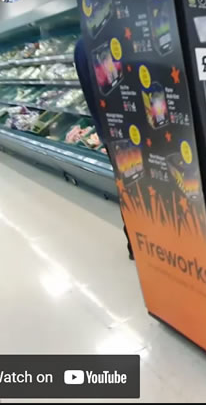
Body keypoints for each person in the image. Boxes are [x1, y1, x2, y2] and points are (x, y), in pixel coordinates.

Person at [74, 38, 135, 260]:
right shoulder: (109, 40)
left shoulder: (82, 45)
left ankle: (135, 243)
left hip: (111, 134)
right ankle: (145, 245)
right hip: (131, 133)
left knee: (129, 189)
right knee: (143, 190)